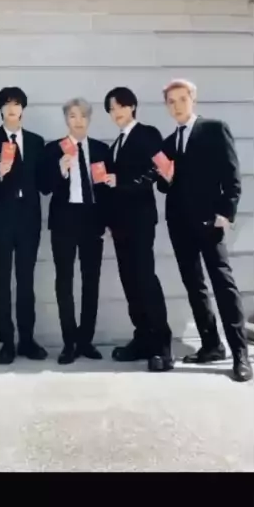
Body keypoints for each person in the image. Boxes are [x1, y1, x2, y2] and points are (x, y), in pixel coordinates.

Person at [156, 78, 253, 382]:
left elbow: (232, 173)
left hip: (209, 222)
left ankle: (240, 354)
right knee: (194, 286)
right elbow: (164, 186)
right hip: (179, 224)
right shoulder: (168, 143)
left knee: (223, 284)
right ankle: (211, 345)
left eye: (182, 99)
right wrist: (165, 178)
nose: (177, 106)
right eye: (171, 102)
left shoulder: (213, 129)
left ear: (193, 99)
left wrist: (227, 212)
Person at [104, 86, 173, 372]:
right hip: (120, 224)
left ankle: (162, 345)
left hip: (141, 220)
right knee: (129, 281)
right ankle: (142, 336)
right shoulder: (115, 144)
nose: (115, 113)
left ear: (131, 106)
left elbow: (156, 173)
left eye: (119, 106)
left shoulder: (147, 134)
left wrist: (119, 182)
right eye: (111, 109)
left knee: (145, 278)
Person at [0, 87, 47, 364]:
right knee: (2, 281)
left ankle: (27, 340)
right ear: (0, 109)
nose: (12, 108)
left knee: (26, 281)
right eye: (7, 104)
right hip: (0, 219)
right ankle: (6, 342)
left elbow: (44, 184)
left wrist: (62, 168)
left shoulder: (36, 142)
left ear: (22, 109)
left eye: (16, 103)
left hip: (29, 220)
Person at [42, 98, 110, 364]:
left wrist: (109, 222)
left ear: (89, 119)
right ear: (66, 120)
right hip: (64, 222)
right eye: (72, 116)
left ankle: (86, 340)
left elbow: (107, 192)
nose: (78, 121)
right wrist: (60, 169)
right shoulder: (53, 149)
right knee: (65, 281)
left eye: (82, 115)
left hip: (92, 222)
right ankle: (69, 342)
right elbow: (44, 187)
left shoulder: (102, 149)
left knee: (91, 281)